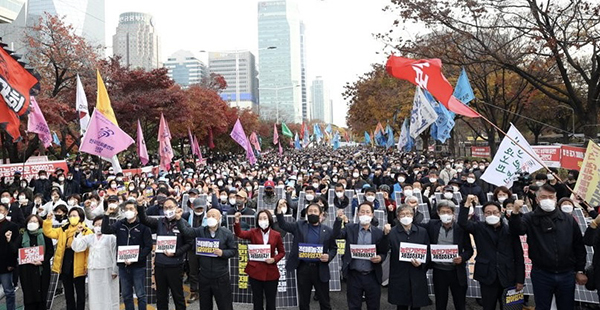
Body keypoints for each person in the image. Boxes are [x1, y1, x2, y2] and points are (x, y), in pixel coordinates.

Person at [509, 184, 587, 310]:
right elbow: (518, 230)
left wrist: (579, 270)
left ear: (556, 199)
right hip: (542, 273)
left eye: (551, 197)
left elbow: (578, 246)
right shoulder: (530, 218)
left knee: (566, 306)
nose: (548, 200)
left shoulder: (567, 219)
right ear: (537, 199)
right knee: (542, 306)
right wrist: (515, 213)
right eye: (544, 197)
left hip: (566, 273)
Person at [458, 199, 524, 310]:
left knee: (510, 307)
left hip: (508, 275)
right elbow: (462, 222)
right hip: (487, 275)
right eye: (488, 213)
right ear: (484, 214)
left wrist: (520, 280)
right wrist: (467, 203)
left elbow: (519, 256)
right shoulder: (478, 228)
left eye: (495, 212)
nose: (491, 215)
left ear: (500, 213)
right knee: (488, 306)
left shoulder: (510, 230)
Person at [276, 202, 337, 310]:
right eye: (310, 211)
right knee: (304, 302)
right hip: (303, 268)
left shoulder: (328, 231)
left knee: (325, 302)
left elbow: (334, 248)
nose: (312, 213)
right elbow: (283, 225)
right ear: (306, 214)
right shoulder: (299, 226)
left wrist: (329, 256)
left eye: (315, 211)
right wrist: (279, 211)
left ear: (321, 215)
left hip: (320, 268)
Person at [176, 208, 237, 310]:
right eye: (209, 216)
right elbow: (187, 232)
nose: (211, 218)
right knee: (205, 305)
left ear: (219, 218)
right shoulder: (201, 231)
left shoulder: (226, 233)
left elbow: (233, 251)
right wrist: (179, 219)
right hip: (204, 276)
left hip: (221, 276)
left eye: (214, 216)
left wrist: (222, 253)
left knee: (225, 305)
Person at [138, 197, 193, 310]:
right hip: (160, 265)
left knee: (178, 296)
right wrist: (140, 206)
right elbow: (145, 220)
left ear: (176, 207)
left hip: (175, 266)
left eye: (170, 207)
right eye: (165, 208)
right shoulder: (160, 222)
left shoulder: (183, 223)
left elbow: (189, 243)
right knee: (161, 297)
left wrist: (176, 253)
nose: (167, 210)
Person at [333, 202, 388, 310]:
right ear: (357, 214)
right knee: (354, 306)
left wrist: (381, 258)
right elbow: (336, 235)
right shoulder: (350, 228)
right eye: (362, 212)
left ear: (372, 215)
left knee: (373, 306)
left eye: (368, 212)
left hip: (372, 276)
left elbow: (383, 252)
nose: (365, 214)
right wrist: (338, 220)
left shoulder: (378, 233)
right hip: (354, 275)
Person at [420, 200, 473, 310]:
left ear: (453, 213)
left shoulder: (461, 229)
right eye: (443, 212)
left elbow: (469, 250)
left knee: (460, 303)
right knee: (440, 302)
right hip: (439, 271)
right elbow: (416, 226)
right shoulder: (432, 225)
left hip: (457, 272)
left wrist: (462, 258)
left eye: (448, 212)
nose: (445, 214)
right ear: (438, 213)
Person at [102, 200, 152, 310]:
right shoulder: (120, 223)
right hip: (123, 266)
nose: (128, 211)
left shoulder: (143, 226)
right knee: (126, 295)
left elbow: (148, 246)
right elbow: (105, 230)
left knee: (140, 294)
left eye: (131, 209)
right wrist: (106, 214)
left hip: (138, 266)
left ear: (136, 211)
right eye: (126, 209)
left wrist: (137, 258)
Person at [233, 209, 285, 310]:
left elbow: (282, 252)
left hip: (271, 272)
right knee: (257, 301)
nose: (262, 220)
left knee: (271, 302)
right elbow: (239, 234)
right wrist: (237, 221)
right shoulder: (253, 232)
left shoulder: (276, 235)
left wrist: (274, 259)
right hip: (255, 272)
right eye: (260, 218)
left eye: (265, 218)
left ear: (269, 220)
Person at [43, 207, 93, 310]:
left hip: (79, 264)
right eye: (70, 216)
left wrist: (86, 265)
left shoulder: (86, 231)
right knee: (68, 292)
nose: (72, 217)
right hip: (66, 262)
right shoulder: (63, 228)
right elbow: (49, 232)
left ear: (80, 217)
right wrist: (48, 221)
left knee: (80, 293)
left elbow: (89, 252)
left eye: (75, 215)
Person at [384, 204, 430, 310]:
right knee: (401, 305)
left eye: (409, 214)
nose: (406, 216)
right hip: (400, 272)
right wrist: (385, 235)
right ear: (398, 217)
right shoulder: (392, 232)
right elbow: (384, 248)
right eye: (403, 214)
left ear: (413, 216)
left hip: (417, 273)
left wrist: (422, 263)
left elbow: (428, 251)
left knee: (416, 304)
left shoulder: (422, 232)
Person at [71, 216, 119, 310]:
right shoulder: (90, 237)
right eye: (96, 225)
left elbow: (115, 254)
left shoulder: (111, 238)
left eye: (100, 225)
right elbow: (77, 247)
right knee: (94, 294)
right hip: (93, 269)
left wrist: (115, 270)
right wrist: (78, 233)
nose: (98, 227)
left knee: (109, 293)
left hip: (107, 269)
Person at [11, 214, 54, 310]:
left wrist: (42, 262)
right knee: (29, 296)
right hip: (27, 270)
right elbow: (14, 249)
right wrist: (9, 240)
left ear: (39, 223)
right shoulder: (22, 235)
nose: (32, 224)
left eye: (35, 221)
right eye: (30, 221)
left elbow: (50, 251)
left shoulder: (45, 234)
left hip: (42, 269)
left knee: (42, 296)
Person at [0, 203, 19, 310]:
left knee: (8, 290)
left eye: (1, 210)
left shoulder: (12, 226)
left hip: (5, 263)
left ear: (6, 212)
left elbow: (14, 247)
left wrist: (12, 263)